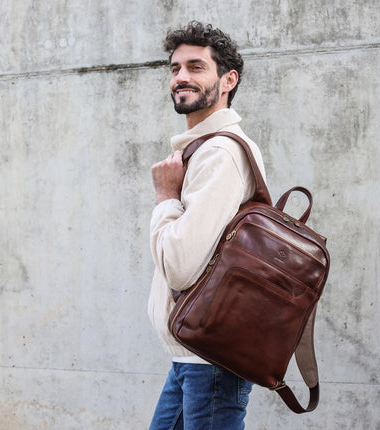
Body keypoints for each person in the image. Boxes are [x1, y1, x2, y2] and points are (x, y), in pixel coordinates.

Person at [147, 21, 267, 430]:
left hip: (210, 360)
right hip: (192, 353)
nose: (181, 77)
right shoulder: (202, 150)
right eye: (175, 68)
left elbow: (180, 264)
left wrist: (165, 198)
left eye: (196, 67)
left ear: (228, 79)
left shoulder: (220, 153)